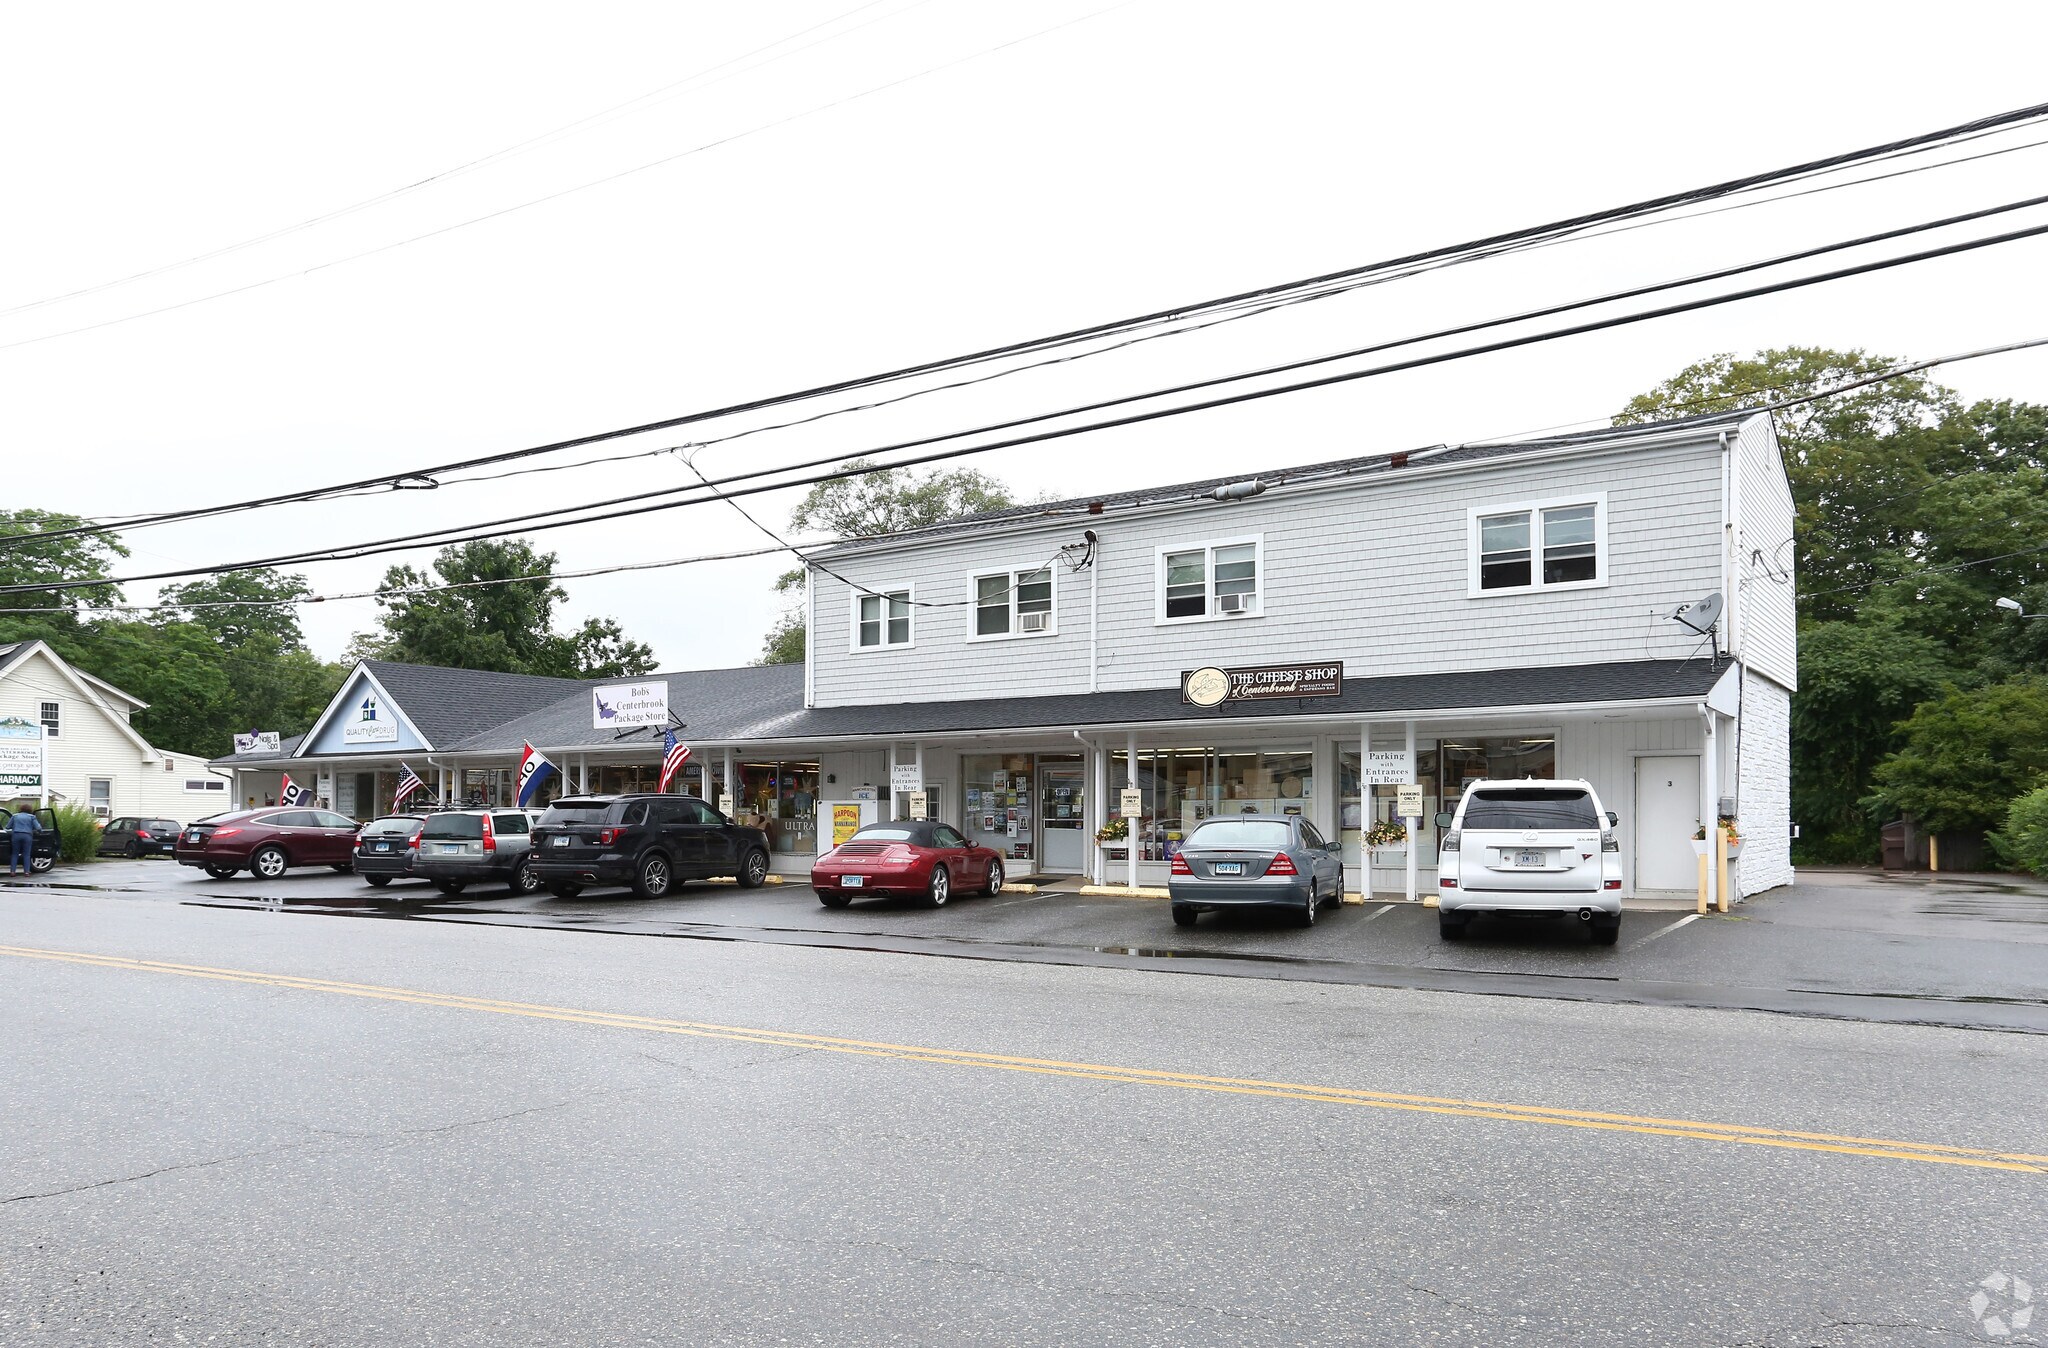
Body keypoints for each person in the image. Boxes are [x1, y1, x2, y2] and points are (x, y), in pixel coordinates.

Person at [9, 808, 41, 877]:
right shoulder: (32, 817)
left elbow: (8, 826)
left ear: (20, 810)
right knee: (26, 854)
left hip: (16, 835)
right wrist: (40, 832)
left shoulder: (15, 816)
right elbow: (38, 828)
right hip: (27, 836)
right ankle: (26, 872)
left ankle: (12, 872)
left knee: (15, 853)